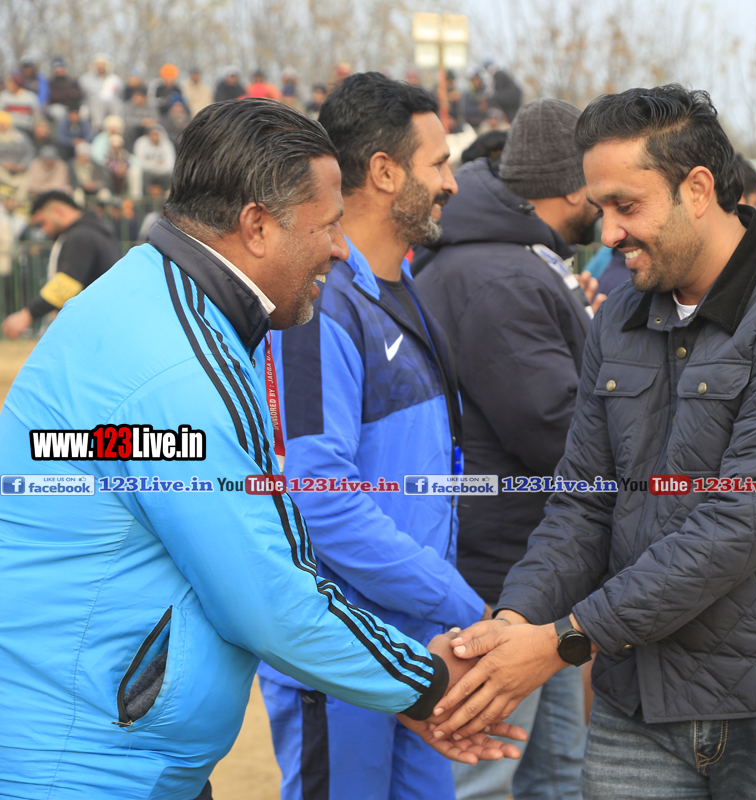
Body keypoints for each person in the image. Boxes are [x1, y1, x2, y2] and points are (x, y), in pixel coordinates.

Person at [0, 99, 525, 800]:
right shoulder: (179, 369)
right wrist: (425, 684)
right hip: (85, 764)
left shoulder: (164, 304)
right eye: (327, 225)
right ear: (256, 226)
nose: (339, 249)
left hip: (100, 746)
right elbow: (270, 598)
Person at [432, 84, 756, 799]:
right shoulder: (621, 318)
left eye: (626, 205)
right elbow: (581, 503)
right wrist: (513, 622)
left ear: (697, 189)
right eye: (600, 206)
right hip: (638, 699)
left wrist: (563, 640)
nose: (607, 232)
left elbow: (740, 521)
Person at [254, 73, 489, 800]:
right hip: (342, 653)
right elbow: (318, 498)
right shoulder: (318, 304)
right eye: (438, 163)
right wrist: (461, 602)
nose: (451, 182)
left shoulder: (401, 290)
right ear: (386, 172)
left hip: (416, 646)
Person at [415, 98, 599, 800]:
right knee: (486, 776)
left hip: (527, 570)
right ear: (575, 186)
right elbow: (554, 426)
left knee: (556, 772)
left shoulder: (507, 260)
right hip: (499, 576)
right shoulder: (498, 275)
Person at [1, 189, 119, 338]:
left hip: (96, 328)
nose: (44, 230)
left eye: (42, 223)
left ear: (58, 211)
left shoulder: (80, 236)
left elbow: (66, 285)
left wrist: (27, 314)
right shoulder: (97, 230)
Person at [133, 124, 175, 193]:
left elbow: (171, 164)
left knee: (171, 175)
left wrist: (160, 168)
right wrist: (154, 164)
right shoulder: (141, 143)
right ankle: (145, 196)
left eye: (157, 134)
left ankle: (167, 195)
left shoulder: (167, 144)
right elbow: (139, 162)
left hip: (163, 172)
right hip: (147, 172)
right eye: (153, 134)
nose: (155, 137)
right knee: (141, 174)